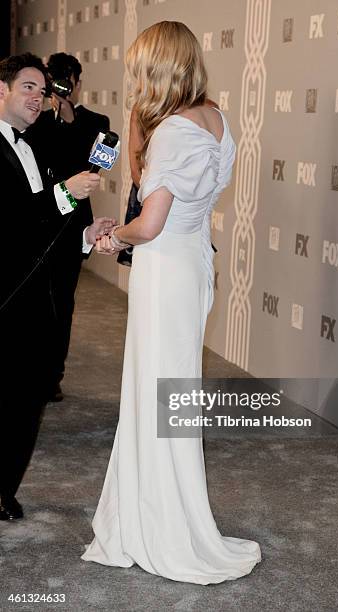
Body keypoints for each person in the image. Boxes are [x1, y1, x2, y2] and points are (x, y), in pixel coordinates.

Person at [81, 21, 261, 584]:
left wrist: (114, 236)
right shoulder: (216, 120)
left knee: (156, 392)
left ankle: (159, 527)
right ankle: (168, 513)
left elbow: (151, 224)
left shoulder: (173, 132)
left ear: (159, 67)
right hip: (191, 267)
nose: (135, 77)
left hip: (164, 271)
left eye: (140, 67)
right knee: (172, 392)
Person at [0, 52, 115, 521]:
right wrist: (67, 193)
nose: (40, 95)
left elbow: (42, 230)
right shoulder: (26, 137)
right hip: (5, 296)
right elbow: (13, 220)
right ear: (2, 89)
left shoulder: (61, 135)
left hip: (42, 283)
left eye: (43, 88)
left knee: (28, 398)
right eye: (28, 86)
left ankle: (5, 489)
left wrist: (85, 236)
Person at [27, 53, 110, 402]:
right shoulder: (37, 124)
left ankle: (53, 377)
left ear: (78, 81)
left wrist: (70, 117)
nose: (63, 86)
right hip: (41, 219)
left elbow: (96, 170)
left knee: (63, 300)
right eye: (55, 79)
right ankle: (31, 369)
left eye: (68, 79)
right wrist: (55, 114)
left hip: (75, 225)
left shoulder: (97, 122)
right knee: (34, 302)